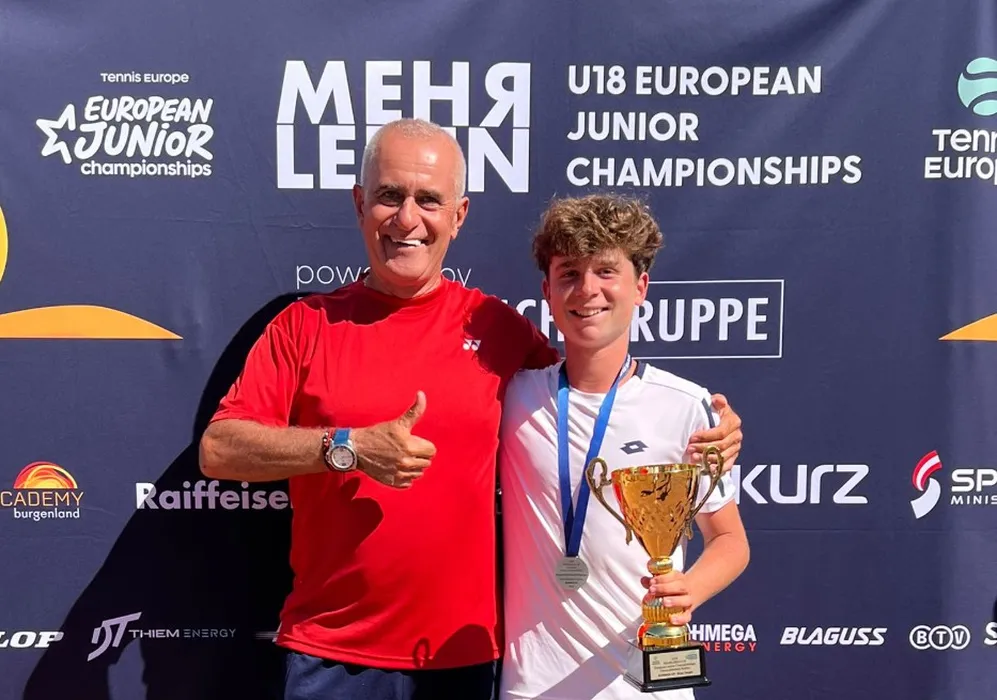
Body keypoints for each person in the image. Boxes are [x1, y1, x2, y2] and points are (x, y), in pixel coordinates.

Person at [198, 118, 744, 700]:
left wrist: (715, 427)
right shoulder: (304, 325)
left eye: (428, 200)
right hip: (333, 652)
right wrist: (346, 447)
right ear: (360, 204)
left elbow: (592, 383)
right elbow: (218, 450)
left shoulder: (497, 329)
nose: (407, 219)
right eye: (390, 196)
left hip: (464, 660)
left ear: (458, 216)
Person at [498, 194, 750, 700]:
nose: (587, 289)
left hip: (647, 688)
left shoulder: (689, 406)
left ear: (640, 288)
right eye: (569, 273)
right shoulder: (512, 397)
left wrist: (688, 590)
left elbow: (729, 541)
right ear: (547, 291)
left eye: (606, 271)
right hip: (534, 687)